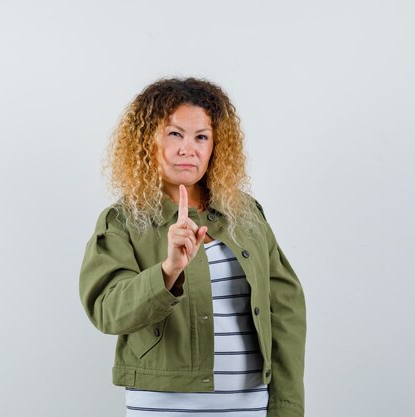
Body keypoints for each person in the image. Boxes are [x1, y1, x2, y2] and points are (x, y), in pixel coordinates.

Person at [78, 77, 306, 417]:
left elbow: (285, 310)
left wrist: (287, 408)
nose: (189, 149)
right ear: (147, 140)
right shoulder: (122, 220)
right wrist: (168, 271)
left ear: (216, 145)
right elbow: (107, 310)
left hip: (250, 406)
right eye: (174, 134)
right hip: (163, 406)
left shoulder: (245, 215)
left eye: (201, 137)